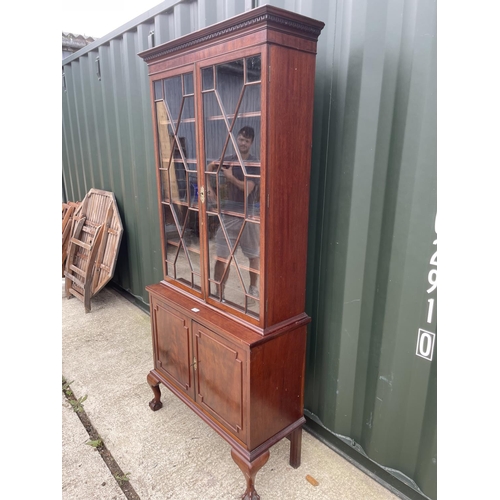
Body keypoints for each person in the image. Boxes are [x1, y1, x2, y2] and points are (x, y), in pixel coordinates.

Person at [207, 126, 260, 304]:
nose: (243, 143)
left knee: (253, 255)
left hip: (248, 216)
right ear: (236, 140)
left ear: (251, 143)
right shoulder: (229, 160)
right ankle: (218, 293)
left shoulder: (254, 164)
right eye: (240, 139)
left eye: (246, 140)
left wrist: (229, 177)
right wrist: (209, 190)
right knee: (222, 257)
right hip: (229, 216)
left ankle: (253, 289)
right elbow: (209, 167)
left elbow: (247, 190)